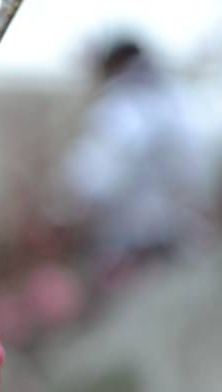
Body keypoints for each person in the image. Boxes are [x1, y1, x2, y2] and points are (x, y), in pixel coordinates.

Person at [58, 38, 216, 286]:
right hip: (184, 235)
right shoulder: (179, 98)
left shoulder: (122, 106)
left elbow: (96, 174)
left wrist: (63, 207)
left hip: (136, 242)